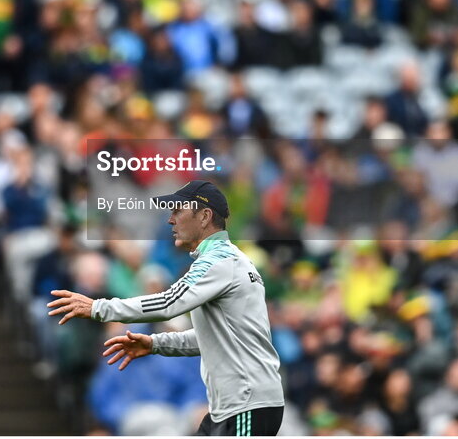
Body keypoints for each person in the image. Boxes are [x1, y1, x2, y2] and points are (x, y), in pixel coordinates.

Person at [47, 180, 285, 435]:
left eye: (178, 211)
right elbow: (214, 338)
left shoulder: (218, 261)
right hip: (238, 405)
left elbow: (169, 302)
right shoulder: (232, 259)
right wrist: (155, 344)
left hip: (245, 406)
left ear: (204, 216)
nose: (170, 219)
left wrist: (98, 307)